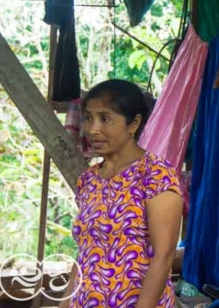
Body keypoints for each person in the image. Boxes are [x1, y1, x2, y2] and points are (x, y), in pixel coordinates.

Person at [60, 80, 183, 308]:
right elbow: (85, 253)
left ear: (133, 124)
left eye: (105, 119)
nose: (92, 129)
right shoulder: (89, 180)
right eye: (88, 118)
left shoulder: (155, 175)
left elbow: (163, 256)